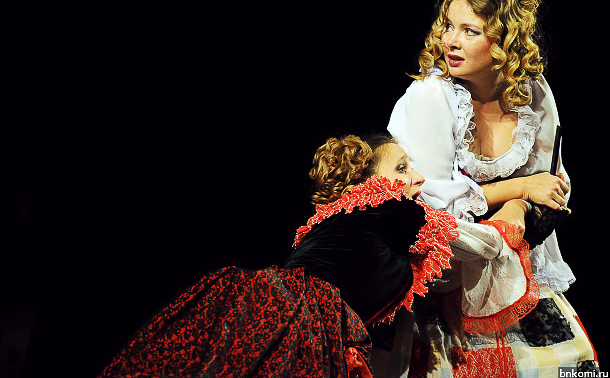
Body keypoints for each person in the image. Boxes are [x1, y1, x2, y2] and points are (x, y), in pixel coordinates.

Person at [97, 134, 535, 377]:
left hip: (279, 308)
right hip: (300, 317)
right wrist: (519, 203)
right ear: (367, 183)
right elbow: (481, 244)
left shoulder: (336, 222)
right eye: (401, 167)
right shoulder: (387, 208)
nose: (417, 178)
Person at [387, 0, 599, 375]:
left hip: (515, 269)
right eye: (448, 26)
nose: (450, 41)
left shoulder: (532, 90)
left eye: (470, 31)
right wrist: (520, 189)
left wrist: (522, 205)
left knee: (569, 368)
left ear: (505, 40)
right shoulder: (432, 95)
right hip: (446, 279)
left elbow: (551, 181)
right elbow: (434, 206)